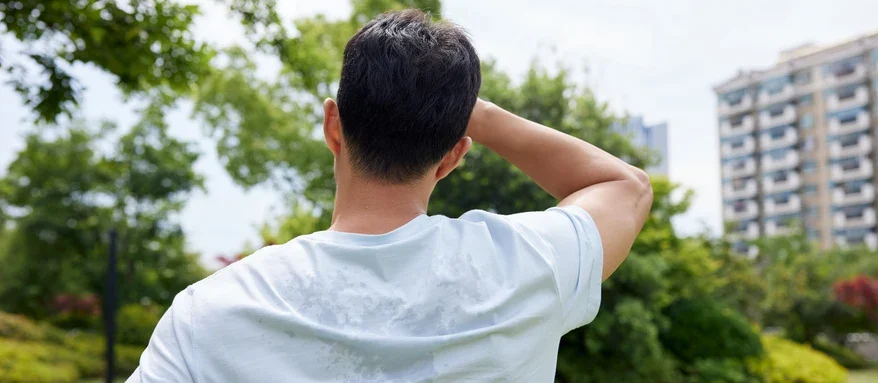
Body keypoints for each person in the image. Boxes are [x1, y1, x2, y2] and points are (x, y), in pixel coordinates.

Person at [127, 9, 652, 383]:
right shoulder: (527, 266)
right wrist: (470, 110)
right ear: (453, 156)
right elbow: (624, 186)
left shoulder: (210, 312)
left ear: (333, 126)